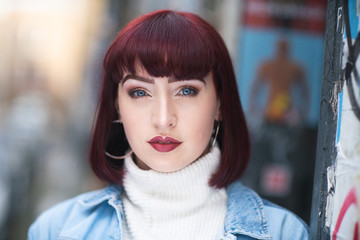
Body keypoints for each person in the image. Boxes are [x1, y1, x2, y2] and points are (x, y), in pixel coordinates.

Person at [28, 10, 308, 239]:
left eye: (186, 91)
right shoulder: (55, 230)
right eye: (139, 92)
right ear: (117, 106)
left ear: (220, 104)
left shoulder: (284, 233)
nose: (163, 119)